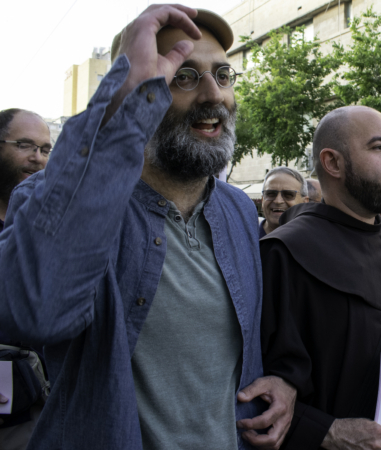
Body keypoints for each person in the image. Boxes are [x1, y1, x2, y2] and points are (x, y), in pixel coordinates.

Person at [0, 6, 294, 450]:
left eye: (223, 75)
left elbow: (236, 354)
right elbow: (38, 310)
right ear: (140, 93)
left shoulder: (236, 208)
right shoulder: (55, 199)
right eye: (185, 77)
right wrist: (119, 107)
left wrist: (282, 385)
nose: (214, 95)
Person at [258, 105, 381, 449]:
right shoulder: (282, 254)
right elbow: (254, 383)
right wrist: (326, 431)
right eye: (379, 147)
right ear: (333, 162)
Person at [0, 108, 52, 450]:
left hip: (43, 408)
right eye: (25, 145)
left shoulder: (47, 222)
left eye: (45, 149)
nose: (37, 158)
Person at [259, 167, 309, 238]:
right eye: (271, 194)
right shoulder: (244, 238)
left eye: (288, 195)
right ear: (262, 200)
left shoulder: (314, 241)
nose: (278, 201)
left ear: (305, 203)